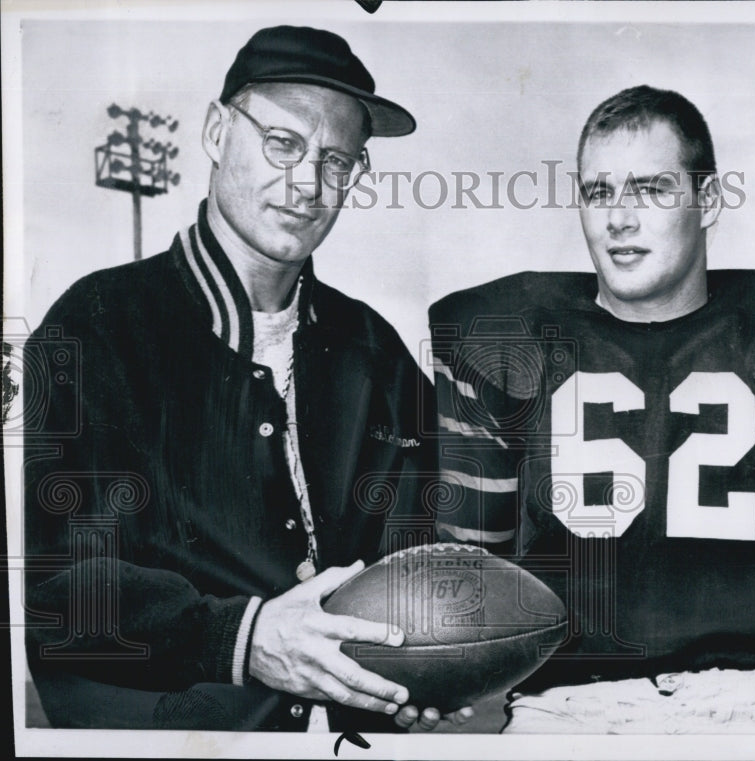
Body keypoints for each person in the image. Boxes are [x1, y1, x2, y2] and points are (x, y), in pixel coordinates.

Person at [24, 26, 470, 733]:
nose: (308, 183)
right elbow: (54, 594)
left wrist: (422, 666)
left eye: (337, 160)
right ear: (215, 130)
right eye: (284, 143)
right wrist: (244, 639)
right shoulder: (99, 324)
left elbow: (412, 565)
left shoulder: (374, 350)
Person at [429, 85, 755, 733]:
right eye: (599, 192)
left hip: (753, 697)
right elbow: (463, 576)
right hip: (564, 708)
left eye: (651, 188)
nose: (619, 219)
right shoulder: (501, 336)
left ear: (707, 201)